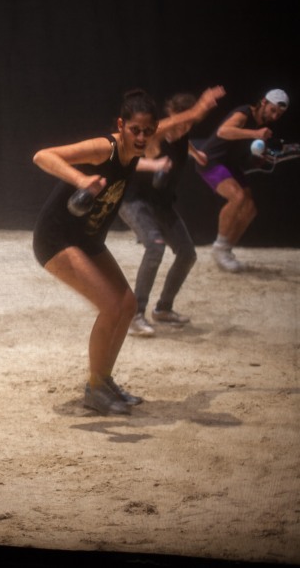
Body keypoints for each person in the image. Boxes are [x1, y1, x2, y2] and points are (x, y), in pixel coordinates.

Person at [32, 87, 223, 415]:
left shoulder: (140, 143)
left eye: (148, 131)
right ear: (121, 125)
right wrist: (80, 180)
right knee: (110, 306)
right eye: (135, 130)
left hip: (88, 238)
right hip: (57, 238)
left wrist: (197, 113)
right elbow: (43, 156)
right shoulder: (104, 148)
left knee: (128, 304)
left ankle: (104, 381)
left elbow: (169, 125)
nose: (142, 137)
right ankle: (94, 388)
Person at [119, 92, 213, 336]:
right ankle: (135, 315)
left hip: (161, 203)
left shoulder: (182, 136)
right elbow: (129, 161)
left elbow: (183, 139)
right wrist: (154, 164)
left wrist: (195, 153)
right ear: (171, 116)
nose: (183, 128)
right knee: (155, 247)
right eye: (180, 121)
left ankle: (163, 309)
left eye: (189, 124)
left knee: (187, 254)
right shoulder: (152, 137)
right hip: (134, 201)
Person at [195, 89, 289, 272]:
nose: (274, 116)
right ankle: (218, 247)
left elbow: (243, 152)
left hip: (229, 164)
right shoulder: (244, 113)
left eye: (279, 114)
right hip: (210, 160)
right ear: (263, 102)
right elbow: (223, 131)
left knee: (250, 209)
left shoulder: (262, 127)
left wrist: (259, 159)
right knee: (237, 198)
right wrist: (255, 134)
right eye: (273, 110)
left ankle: (225, 251)